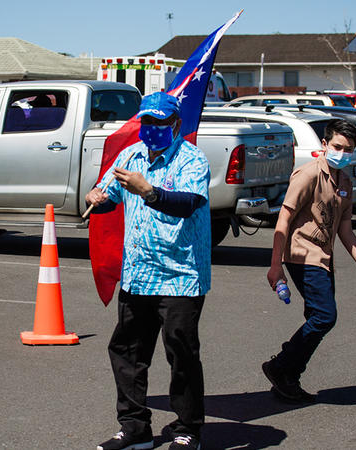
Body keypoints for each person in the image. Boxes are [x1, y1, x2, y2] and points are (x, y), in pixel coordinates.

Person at [86, 92, 210, 450]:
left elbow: (189, 203)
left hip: (180, 274)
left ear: (175, 125)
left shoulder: (191, 159)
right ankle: (135, 427)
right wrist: (95, 198)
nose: (151, 129)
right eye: (147, 122)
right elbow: (106, 195)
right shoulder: (131, 155)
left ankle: (188, 428)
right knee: (127, 350)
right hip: (138, 273)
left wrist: (150, 191)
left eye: (159, 123)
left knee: (181, 352)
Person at [263, 118, 356, 403]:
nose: (342, 153)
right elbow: (284, 218)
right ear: (325, 144)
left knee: (317, 317)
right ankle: (281, 366)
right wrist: (275, 265)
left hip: (324, 258)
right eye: (338, 146)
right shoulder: (308, 175)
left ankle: (288, 374)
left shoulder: (345, 182)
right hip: (302, 255)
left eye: (348, 149)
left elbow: (345, 230)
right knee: (325, 316)